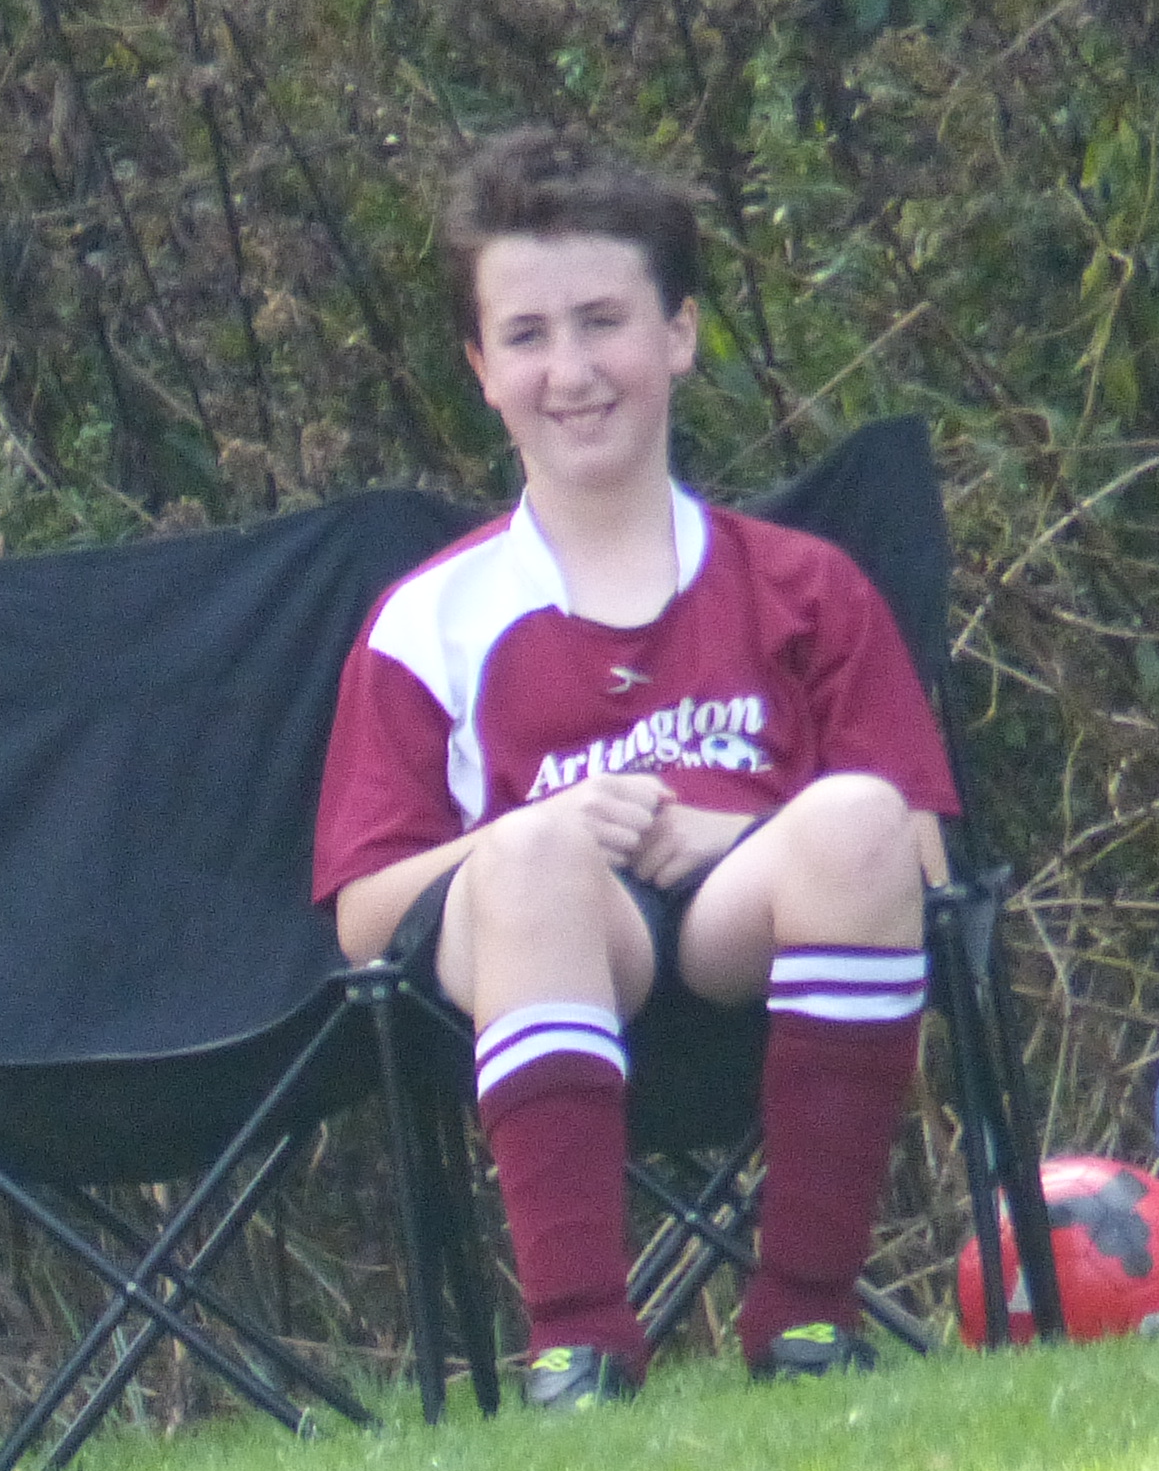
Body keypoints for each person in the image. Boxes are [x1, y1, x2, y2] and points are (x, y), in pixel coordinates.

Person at [315, 128, 959, 1406]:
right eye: (526, 336)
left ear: (679, 335)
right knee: (534, 856)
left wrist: (744, 835)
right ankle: (580, 1344)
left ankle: (806, 1318)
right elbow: (364, 917)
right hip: (550, 947)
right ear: (479, 370)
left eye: (603, 322)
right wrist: (538, 825)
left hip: (744, 926)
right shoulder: (428, 622)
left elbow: (925, 860)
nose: (570, 371)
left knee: (852, 818)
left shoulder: (805, 586)